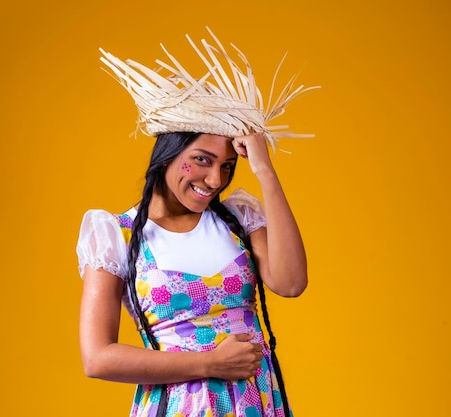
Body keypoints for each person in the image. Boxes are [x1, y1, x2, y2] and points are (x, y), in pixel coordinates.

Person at [76, 28, 318, 417]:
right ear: (168, 151)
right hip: (179, 408)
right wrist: (209, 364)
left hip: (256, 403)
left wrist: (265, 170)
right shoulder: (116, 235)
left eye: (226, 166)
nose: (215, 181)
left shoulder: (237, 219)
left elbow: (291, 283)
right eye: (202, 160)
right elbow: (98, 358)